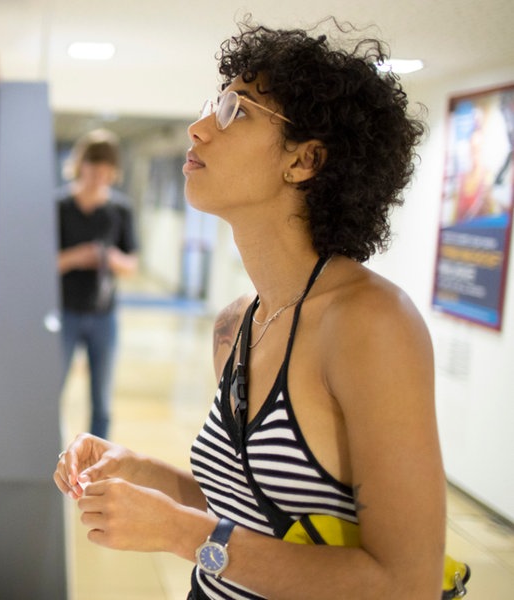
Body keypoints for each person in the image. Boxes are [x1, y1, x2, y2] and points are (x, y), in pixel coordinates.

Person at [53, 20, 447, 599]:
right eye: (214, 104)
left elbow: (404, 584)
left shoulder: (372, 324)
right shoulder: (237, 324)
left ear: (305, 160)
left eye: (236, 111)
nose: (198, 127)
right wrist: (140, 469)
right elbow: (247, 515)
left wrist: (180, 533)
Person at [57, 129, 139, 439]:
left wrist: (109, 258)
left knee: (102, 401)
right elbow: (43, 264)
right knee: (53, 391)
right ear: (80, 166)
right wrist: (79, 257)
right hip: (64, 312)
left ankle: (97, 463)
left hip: (104, 315)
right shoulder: (60, 206)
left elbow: (132, 265)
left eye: (106, 172)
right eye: (93, 169)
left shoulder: (120, 210)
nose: (98, 177)